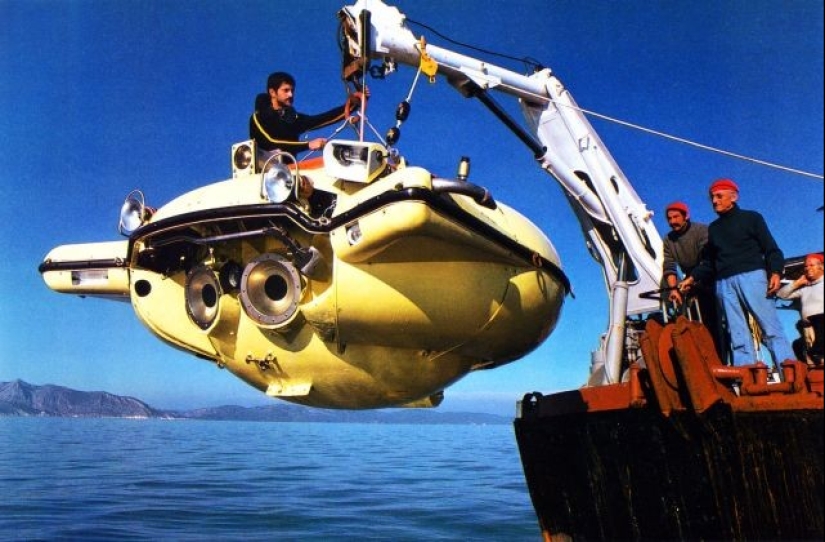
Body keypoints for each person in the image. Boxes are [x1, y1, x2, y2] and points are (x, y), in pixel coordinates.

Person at [678, 178, 794, 369]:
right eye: (712, 198)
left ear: (734, 197)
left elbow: (771, 248)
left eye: (719, 196)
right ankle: (747, 380)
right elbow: (709, 262)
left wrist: (775, 272)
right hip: (724, 283)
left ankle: (790, 373)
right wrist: (691, 278)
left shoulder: (752, 218)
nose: (714, 201)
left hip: (752, 276)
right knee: (737, 333)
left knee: (770, 329)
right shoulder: (713, 229)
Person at [249, 71, 364, 167]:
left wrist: (353, 104)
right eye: (286, 90)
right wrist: (308, 145)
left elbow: (322, 119)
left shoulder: (292, 119)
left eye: (292, 91)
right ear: (273, 92)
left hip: (288, 174)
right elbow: (270, 142)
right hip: (263, 174)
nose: (290, 95)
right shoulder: (258, 117)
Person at [661, 201, 724, 359]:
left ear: (686, 216)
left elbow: (707, 260)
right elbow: (669, 265)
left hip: (710, 276)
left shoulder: (702, 230)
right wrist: (673, 289)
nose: (672, 221)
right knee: (693, 324)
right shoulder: (669, 240)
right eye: (669, 218)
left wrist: (692, 280)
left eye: (676, 217)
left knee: (714, 325)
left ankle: (721, 361)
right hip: (689, 280)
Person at [777, 253, 824, 364]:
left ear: (821, 266)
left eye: (811, 265)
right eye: (806, 266)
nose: (808, 269)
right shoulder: (805, 288)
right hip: (808, 330)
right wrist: (797, 283)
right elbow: (781, 295)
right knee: (812, 364)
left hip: (822, 329)